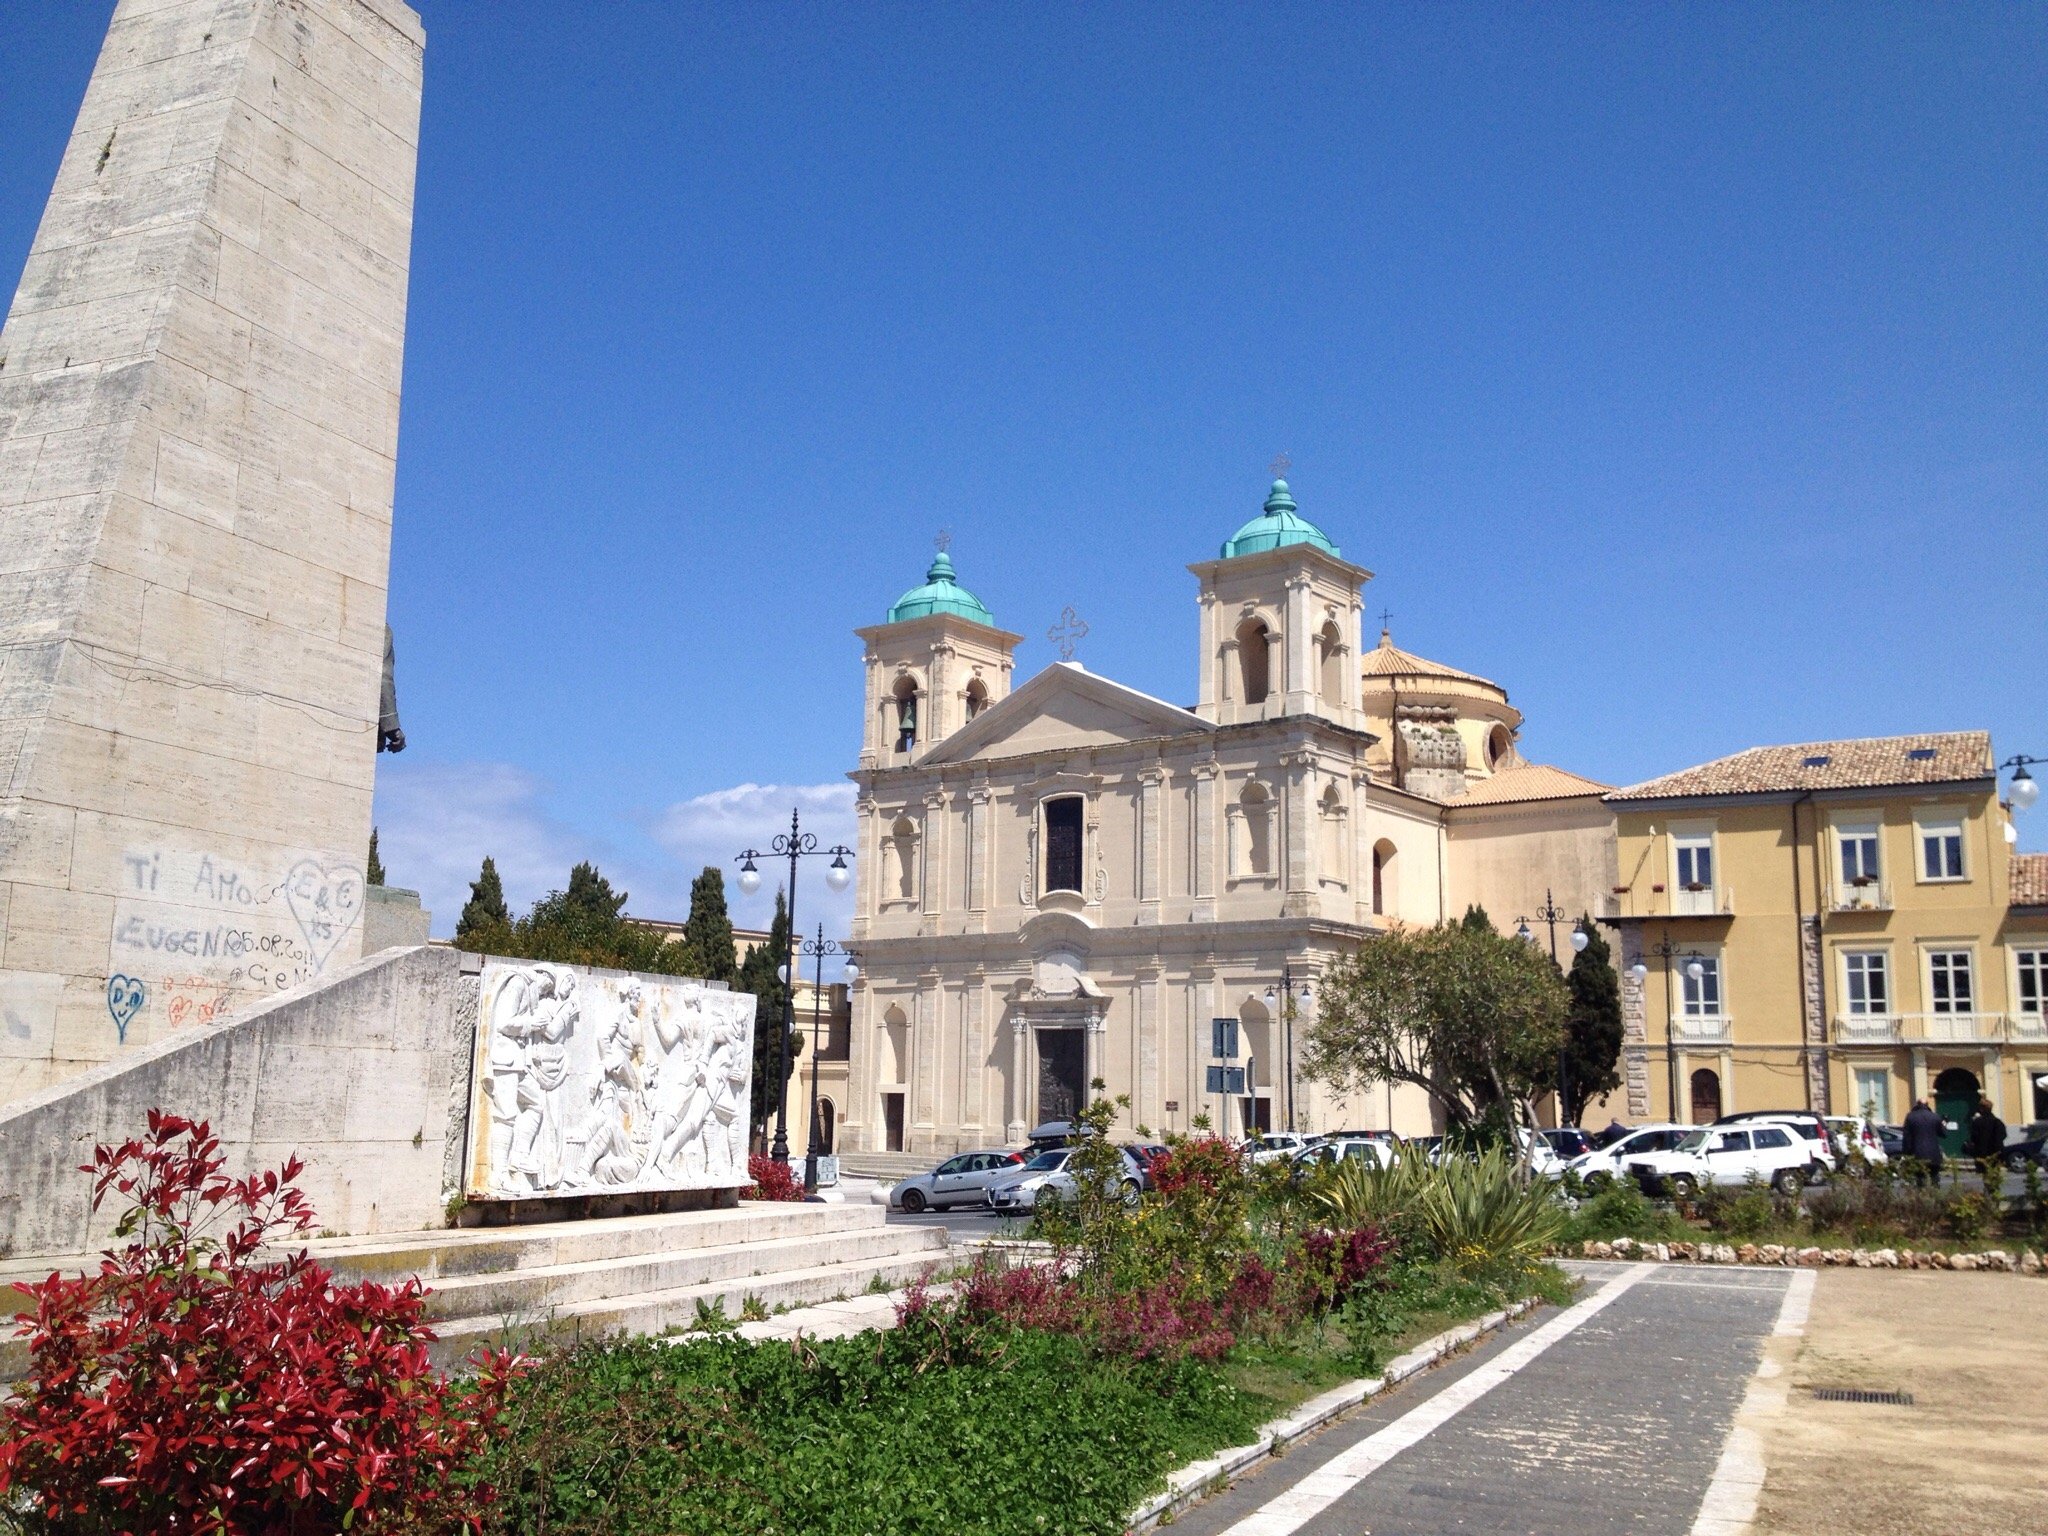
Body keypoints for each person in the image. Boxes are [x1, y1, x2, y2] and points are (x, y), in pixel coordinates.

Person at [1901, 1098, 1945, 1183]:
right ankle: (1935, 1194)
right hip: (1934, 1153)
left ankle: (1921, 1194)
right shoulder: (1935, 1116)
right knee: (1934, 1177)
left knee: (1920, 1179)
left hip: (1917, 1153)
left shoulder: (1911, 1116)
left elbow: (1907, 1137)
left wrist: (1906, 1153)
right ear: (1928, 1105)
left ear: (1917, 1104)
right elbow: (1943, 1134)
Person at [1967, 1095, 2007, 1170]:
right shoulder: (1998, 1122)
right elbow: (2004, 1135)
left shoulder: (1977, 1122)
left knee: (1986, 1178)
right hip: (1996, 1155)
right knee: (1995, 1177)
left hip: (1982, 1155)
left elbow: (1973, 1138)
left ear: (1982, 1109)